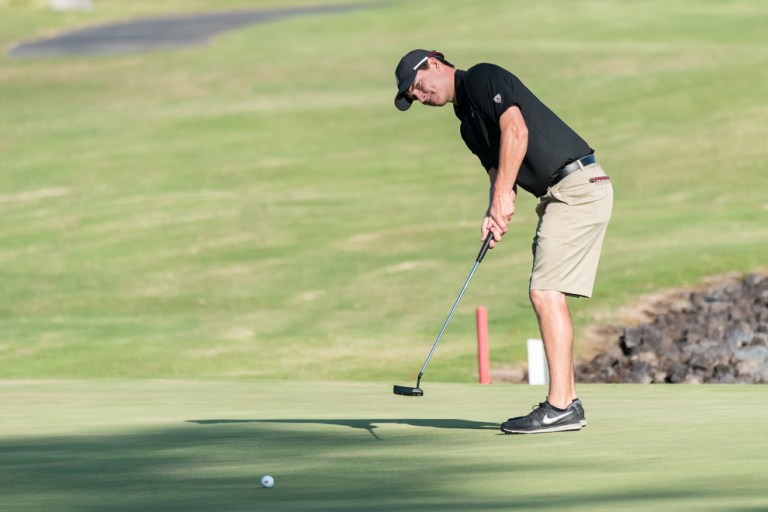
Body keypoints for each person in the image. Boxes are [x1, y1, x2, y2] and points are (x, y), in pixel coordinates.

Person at [393, 49, 613, 434]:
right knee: (548, 292)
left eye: (417, 87)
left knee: (545, 293)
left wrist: (503, 195)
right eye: (413, 97)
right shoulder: (467, 125)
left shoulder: (481, 77)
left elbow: (516, 131)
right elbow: (498, 171)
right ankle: (568, 403)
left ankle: (561, 406)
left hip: (576, 186)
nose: (419, 97)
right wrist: (493, 211)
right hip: (558, 195)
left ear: (433, 63)